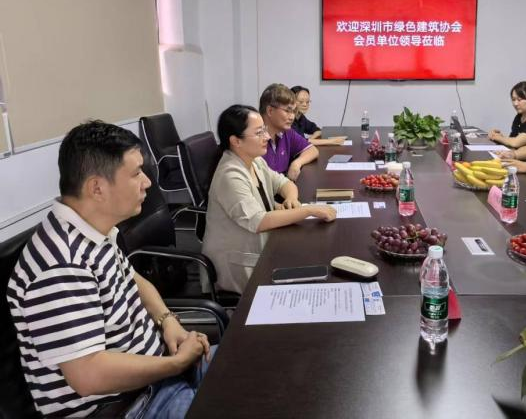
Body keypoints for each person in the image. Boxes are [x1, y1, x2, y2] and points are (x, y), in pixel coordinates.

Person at [6, 121, 212, 418]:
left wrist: (168, 321)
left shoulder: (95, 231)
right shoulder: (60, 266)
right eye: (136, 173)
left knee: (251, 366)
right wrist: (175, 364)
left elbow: (134, 280)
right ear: (97, 188)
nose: (147, 182)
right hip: (131, 406)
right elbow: (88, 375)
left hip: (156, 376)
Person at [203, 105, 337, 293]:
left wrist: (291, 198)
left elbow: (284, 183)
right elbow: (258, 221)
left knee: (316, 255)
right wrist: (308, 210)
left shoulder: (255, 160)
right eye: (259, 133)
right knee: (311, 273)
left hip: (265, 245)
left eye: (264, 130)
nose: (267, 136)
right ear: (236, 141)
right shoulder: (230, 175)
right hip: (239, 263)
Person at [260, 83, 319, 180]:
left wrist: (296, 163)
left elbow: (313, 150)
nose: (292, 117)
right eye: (287, 111)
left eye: (293, 111)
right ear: (270, 111)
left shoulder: (287, 132)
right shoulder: (253, 139)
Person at [488, 81, 526, 148]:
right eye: (513, 99)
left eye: (519, 100)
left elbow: (515, 143)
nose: (515, 104)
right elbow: (511, 140)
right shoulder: (519, 116)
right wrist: (500, 136)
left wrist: (495, 137)